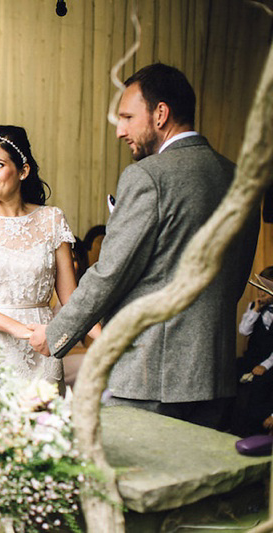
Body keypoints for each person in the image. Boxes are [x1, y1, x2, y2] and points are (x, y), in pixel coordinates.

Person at [29, 63, 259, 429]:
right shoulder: (238, 178)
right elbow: (234, 278)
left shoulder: (148, 176)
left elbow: (110, 273)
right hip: (215, 372)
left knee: (138, 483)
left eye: (127, 117)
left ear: (161, 114)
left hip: (150, 376)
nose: (120, 131)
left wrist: (56, 333)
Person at [0, 125, 94, 391]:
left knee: (44, 428)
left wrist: (108, 341)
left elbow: (71, 298)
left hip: (41, 349)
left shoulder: (52, 220)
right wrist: (21, 330)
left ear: (23, 171)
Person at [232, 266, 273, 436]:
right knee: (233, 375)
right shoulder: (253, 307)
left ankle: (260, 427)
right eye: (260, 289)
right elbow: (244, 330)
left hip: (269, 362)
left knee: (263, 387)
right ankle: (234, 426)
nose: (262, 294)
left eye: (267, 290)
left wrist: (265, 365)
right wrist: (255, 310)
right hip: (252, 358)